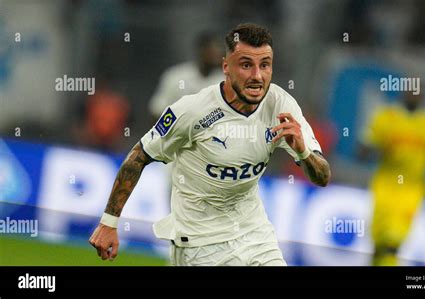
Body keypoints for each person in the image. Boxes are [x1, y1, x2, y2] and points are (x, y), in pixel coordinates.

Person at [89, 23, 331, 266]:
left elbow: (322, 176)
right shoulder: (192, 110)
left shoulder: (281, 105)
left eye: (265, 65)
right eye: (246, 65)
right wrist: (109, 224)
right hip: (199, 244)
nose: (257, 76)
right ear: (226, 66)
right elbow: (138, 156)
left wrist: (303, 152)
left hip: (255, 235)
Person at [358, 90, 425, 266]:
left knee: (394, 238)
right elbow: (362, 152)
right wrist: (378, 147)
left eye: (418, 91)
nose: (414, 94)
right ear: (403, 92)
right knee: (380, 240)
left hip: (411, 190)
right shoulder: (385, 118)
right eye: (410, 90)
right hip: (385, 186)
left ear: (424, 96)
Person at [148, 31, 224, 118]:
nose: (217, 54)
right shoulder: (176, 76)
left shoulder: (225, 81)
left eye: (219, 50)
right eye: (212, 50)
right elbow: (157, 111)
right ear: (201, 50)